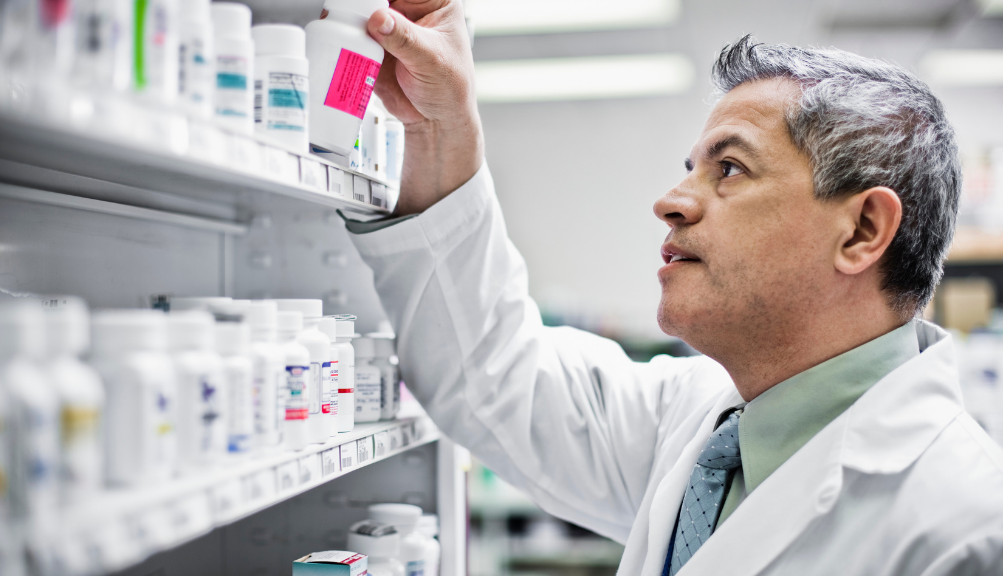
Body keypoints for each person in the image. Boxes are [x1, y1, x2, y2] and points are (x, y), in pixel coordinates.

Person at [342, 1, 1003, 574]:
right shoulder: (695, 425)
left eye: (731, 168)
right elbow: (489, 372)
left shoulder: (965, 528)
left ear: (862, 230)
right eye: (691, 168)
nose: (671, 202)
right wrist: (440, 130)